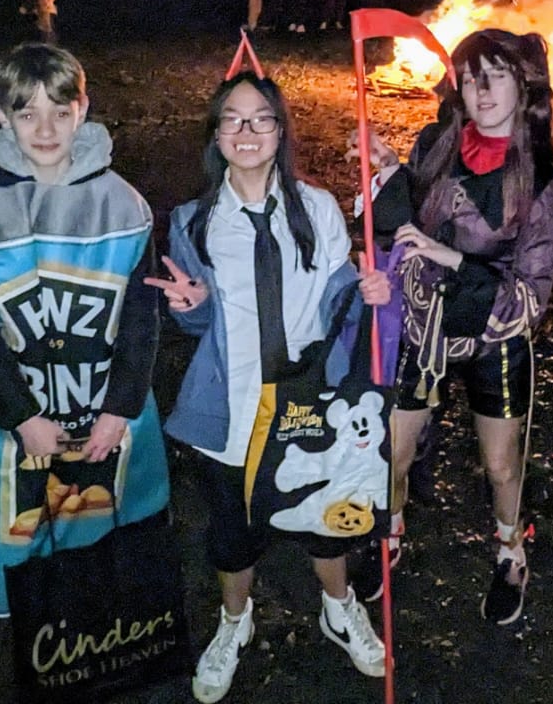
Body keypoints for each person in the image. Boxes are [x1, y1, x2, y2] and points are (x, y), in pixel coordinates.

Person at [147, 71, 390, 703]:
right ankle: (235, 621)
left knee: (325, 517)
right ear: (216, 134)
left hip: (308, 398)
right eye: (232, 118)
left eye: (261, 118)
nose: (247, 130)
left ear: (281, 131)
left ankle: (338, 608)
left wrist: (365, 289)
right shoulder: (193, 222)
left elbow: (336, 297)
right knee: (233, 530)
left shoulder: (316, 207)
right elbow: (196, 319)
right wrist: (192, 306)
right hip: (234, 406)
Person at [348, 28, 553, 626]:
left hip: (495, 339)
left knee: (501, 465)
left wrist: (458, 263)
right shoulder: (437, 143)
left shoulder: (537, 177)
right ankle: (390, 534)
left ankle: (511, 550)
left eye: (495, 76)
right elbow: (404, 222)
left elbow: (534, 294)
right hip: (424, 329)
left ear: (522, 85)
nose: (481, 90)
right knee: (392, 450)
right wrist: (386, 169)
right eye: (469, 79)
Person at [0, 43, 171, 619]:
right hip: (13, 424)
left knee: (102, 561)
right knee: (16, 558)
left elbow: (141, 319)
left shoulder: (125, 207)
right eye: (27, 113)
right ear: (2, 115)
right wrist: (21, 417)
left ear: (83, 110)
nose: (45, 130)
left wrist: (120, 407)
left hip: (105, 417)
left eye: (60, 111)